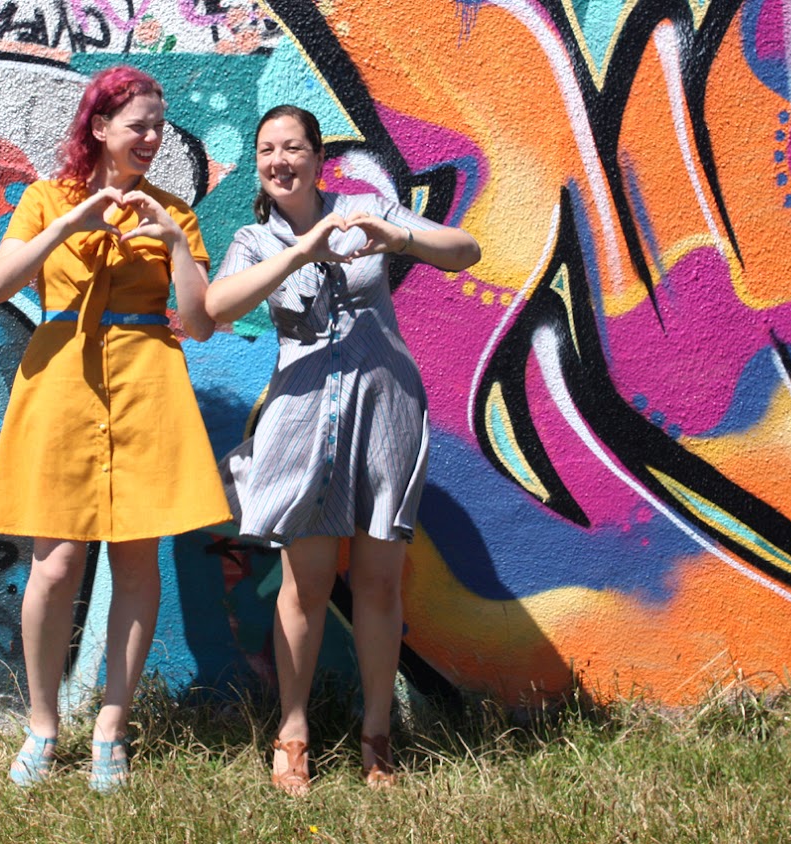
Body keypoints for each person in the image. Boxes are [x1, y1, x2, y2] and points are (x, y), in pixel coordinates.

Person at [205, 105, 481, 795]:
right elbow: (215, 308)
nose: (279, 161)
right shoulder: (253, 238)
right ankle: (293, 733)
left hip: (384, 411)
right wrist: (301, 252)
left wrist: (398, 235)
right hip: (300, 424)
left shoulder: (366, 209)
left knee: (379, 583)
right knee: (305, 584)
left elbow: (464, 250)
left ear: (318, 158)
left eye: (292, 148)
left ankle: (377, 737)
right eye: (267, 150)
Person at [0, 66, 231, 791]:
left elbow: (200, 323)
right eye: (138, 125)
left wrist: (174, 242)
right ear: (98, 127)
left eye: (158, 126)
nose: (152, 138)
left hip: (146, 385)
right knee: (54, 564)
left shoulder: (174, 212)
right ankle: (42, 725)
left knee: (136, 563)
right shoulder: (45, 199)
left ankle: (111, 730)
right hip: (60, 383)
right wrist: (70, 224)